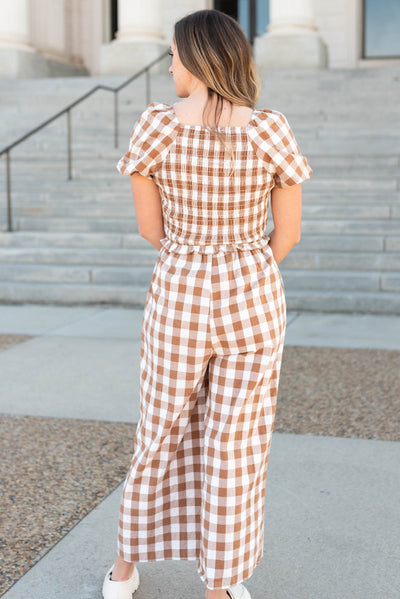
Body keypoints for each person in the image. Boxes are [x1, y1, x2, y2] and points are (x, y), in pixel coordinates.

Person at [102, 8, 312, 599]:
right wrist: (243, 266)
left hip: (179, 290)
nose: (169, 64)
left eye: (173, 54)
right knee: (237, 441)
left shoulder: (155, 127)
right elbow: (287, 235)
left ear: (195, 58)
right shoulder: (271, 129)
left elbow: (151, 229)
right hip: (253, 292)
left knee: (158, 430)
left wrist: (196, 259)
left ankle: (122, 572)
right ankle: (219, 586)